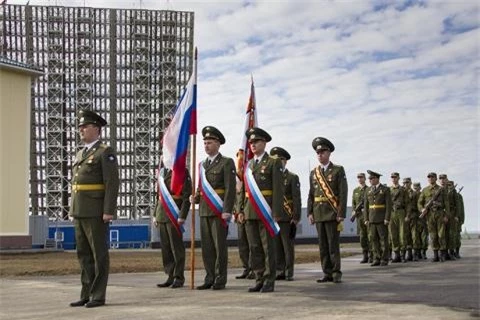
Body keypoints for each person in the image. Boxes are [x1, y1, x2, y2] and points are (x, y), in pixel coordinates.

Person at [69, 110, 120, 308]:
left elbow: (112, 182)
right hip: (80, 210)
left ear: (97, 130)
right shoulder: (80, 153)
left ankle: (98, 295)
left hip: (96, 211)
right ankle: (86, 293)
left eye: (85, 126)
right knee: (83, 254)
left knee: (98, 254)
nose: (81, 129)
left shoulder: (105, 152)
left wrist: (108, 210)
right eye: (80, 127)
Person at [237, 127, 284, 293]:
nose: (252, 145)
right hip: (250, 210)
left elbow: (278, 190)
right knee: (254, 247)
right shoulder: (248, 165)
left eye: (256, 141)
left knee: (267, 248)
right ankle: (259, 278)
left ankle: (269, 280)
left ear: (264, 142)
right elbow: (243, 190)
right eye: (251, 142)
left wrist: (277, 212)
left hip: (266, 210)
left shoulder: (273, 162)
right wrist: (240, 209)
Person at [192, 126, 236, 290]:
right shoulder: (201, 165)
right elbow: (200, 187)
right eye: (204, 143)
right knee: (207, 248)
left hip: (218, 211)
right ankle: (209, 277)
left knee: (219, 248)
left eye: (209, 142)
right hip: (204, 210)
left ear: (218, 143)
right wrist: (195, 197)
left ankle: (220, 278)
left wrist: (227, 210)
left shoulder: (226, 162)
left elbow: (230, 188)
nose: (206, 146)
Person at [307, 137, 348, 283]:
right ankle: (327, 272)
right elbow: (311, 194)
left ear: (329, 153)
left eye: (323, 151)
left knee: (332, 245)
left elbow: (343, 193)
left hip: (331, 213)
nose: (320, 154)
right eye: (318, 152)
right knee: (322, 246)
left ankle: (336, 272)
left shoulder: (337, 170)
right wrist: (310, 213)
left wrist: (341, 213)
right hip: (318, 213)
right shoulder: (314, 173)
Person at [153, 160, 191, 289]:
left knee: (176, 248)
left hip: (174, 213)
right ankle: (170, 275)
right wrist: (154, 214)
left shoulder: (181, 171)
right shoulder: (162, 172)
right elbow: (158, 195)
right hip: (162, 213)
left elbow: (186, 196)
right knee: (166, 248)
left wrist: (182, 215)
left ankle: (178, 277)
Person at [270, 147, 301, 281]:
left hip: (287, 217)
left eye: (280, 160)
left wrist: (296, 217)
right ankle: (279, 271)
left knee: (287, 247)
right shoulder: (271, 177)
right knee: (276, 247)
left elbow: (296, 198)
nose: (278, 162)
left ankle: (289, 272)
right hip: (274, 216)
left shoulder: (292, 177)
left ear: (285, 161)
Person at [418, 172, 450, 262]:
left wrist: (446, 215)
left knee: (441, 234)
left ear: (436, 179)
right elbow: (419, 202)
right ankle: (435, 255)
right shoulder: (425, 190)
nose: (431, 179)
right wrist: (422, 209)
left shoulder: (442, 189)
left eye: (432, 177)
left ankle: (442, 254)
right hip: (429, 215)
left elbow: (447, 204)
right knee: (433, 235)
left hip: (439, 213)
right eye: (429, 177)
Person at [363, 170, 391, 267]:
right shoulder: (368, 190)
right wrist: (366, 218)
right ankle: (377, 258)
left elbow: (388, 205)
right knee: (373, 239)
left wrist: (387, 218)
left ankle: (384, 258)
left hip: (381, 218)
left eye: (371, 178)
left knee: (383, 239)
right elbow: (366, 206)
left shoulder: (385, 189)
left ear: (377, 179)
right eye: (369, 179)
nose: (370, 180)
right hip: (371, 218)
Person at [389, 172, 411, 263]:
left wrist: (407, 215)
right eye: (392, 177)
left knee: (402, 234)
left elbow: (408, 204)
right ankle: (396, 254)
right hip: (391, 213)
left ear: (398, 178)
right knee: (393, 235)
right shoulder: (388, 190)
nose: (393, 178)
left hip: (401, 212)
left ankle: (402, 255)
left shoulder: (403, 190)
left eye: (395, 177)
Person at [351, 173, 370, 263]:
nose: (360, 179)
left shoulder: (369, 189)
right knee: (362, 236)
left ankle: (372, 255)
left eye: (361, 177)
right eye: (358, 177)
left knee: (370, 235)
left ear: (365, 178)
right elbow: (353, 203)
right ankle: (365, 255)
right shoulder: (355, 191)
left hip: (368, 215)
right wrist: (354, 211)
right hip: (359, 216)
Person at [403, 177, 420, 261]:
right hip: (404, 216)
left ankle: (415, 253)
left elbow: (418, 205)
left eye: (407, 183)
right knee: (406, 235)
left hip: (413, 215)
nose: (406, 184)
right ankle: (409, 254)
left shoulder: (415, 194)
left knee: (414, 235)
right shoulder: (401, 193)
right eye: (404, 183)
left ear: (410, 183)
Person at [413, 182, 428, 259]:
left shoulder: (423, 195)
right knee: (416, 236)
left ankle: (423, 251)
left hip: (424, 217)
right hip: (415, 218)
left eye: (417, 188)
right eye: (415, 188)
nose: (416, 190)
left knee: (424, 236)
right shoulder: (411, 195)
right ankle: (417, 252)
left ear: (420, 188)